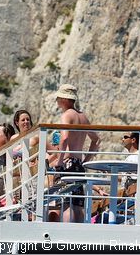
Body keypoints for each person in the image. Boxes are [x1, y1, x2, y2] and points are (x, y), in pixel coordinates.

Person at [50, 84, 101, 223]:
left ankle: (66, 235)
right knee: (78, 205)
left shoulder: (67, 115)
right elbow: (96, 140)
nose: (57, 101)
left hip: (67, 163)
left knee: (67, 204)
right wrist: (86, 160)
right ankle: (79, 233)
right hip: (79, 165)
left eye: (59, 98)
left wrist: (60, 161)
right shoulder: (83, 117)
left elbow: (65, 138)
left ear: (65, 100)